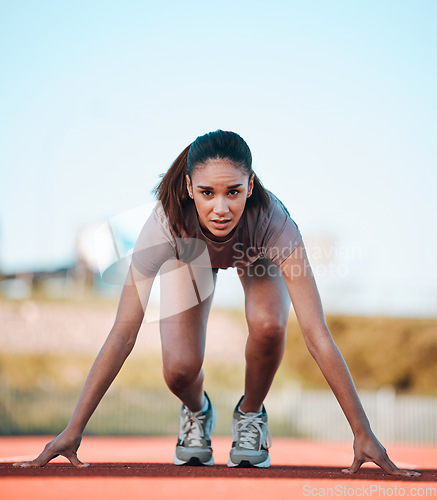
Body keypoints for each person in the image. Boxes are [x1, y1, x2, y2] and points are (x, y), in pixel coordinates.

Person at [14, 130, 419, 475]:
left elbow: (315, 333)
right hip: (190, 256)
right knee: (179, 370)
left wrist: (362, 430)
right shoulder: (165, 227)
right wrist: (74, 428)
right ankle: (197, 411)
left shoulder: (275, 225)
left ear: (251, 185)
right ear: (190, 187)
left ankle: (250, 415)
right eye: (207, 193)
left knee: (268, 325)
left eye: (234, 192)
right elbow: (123, 332)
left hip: (254, 255)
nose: (221, 208)